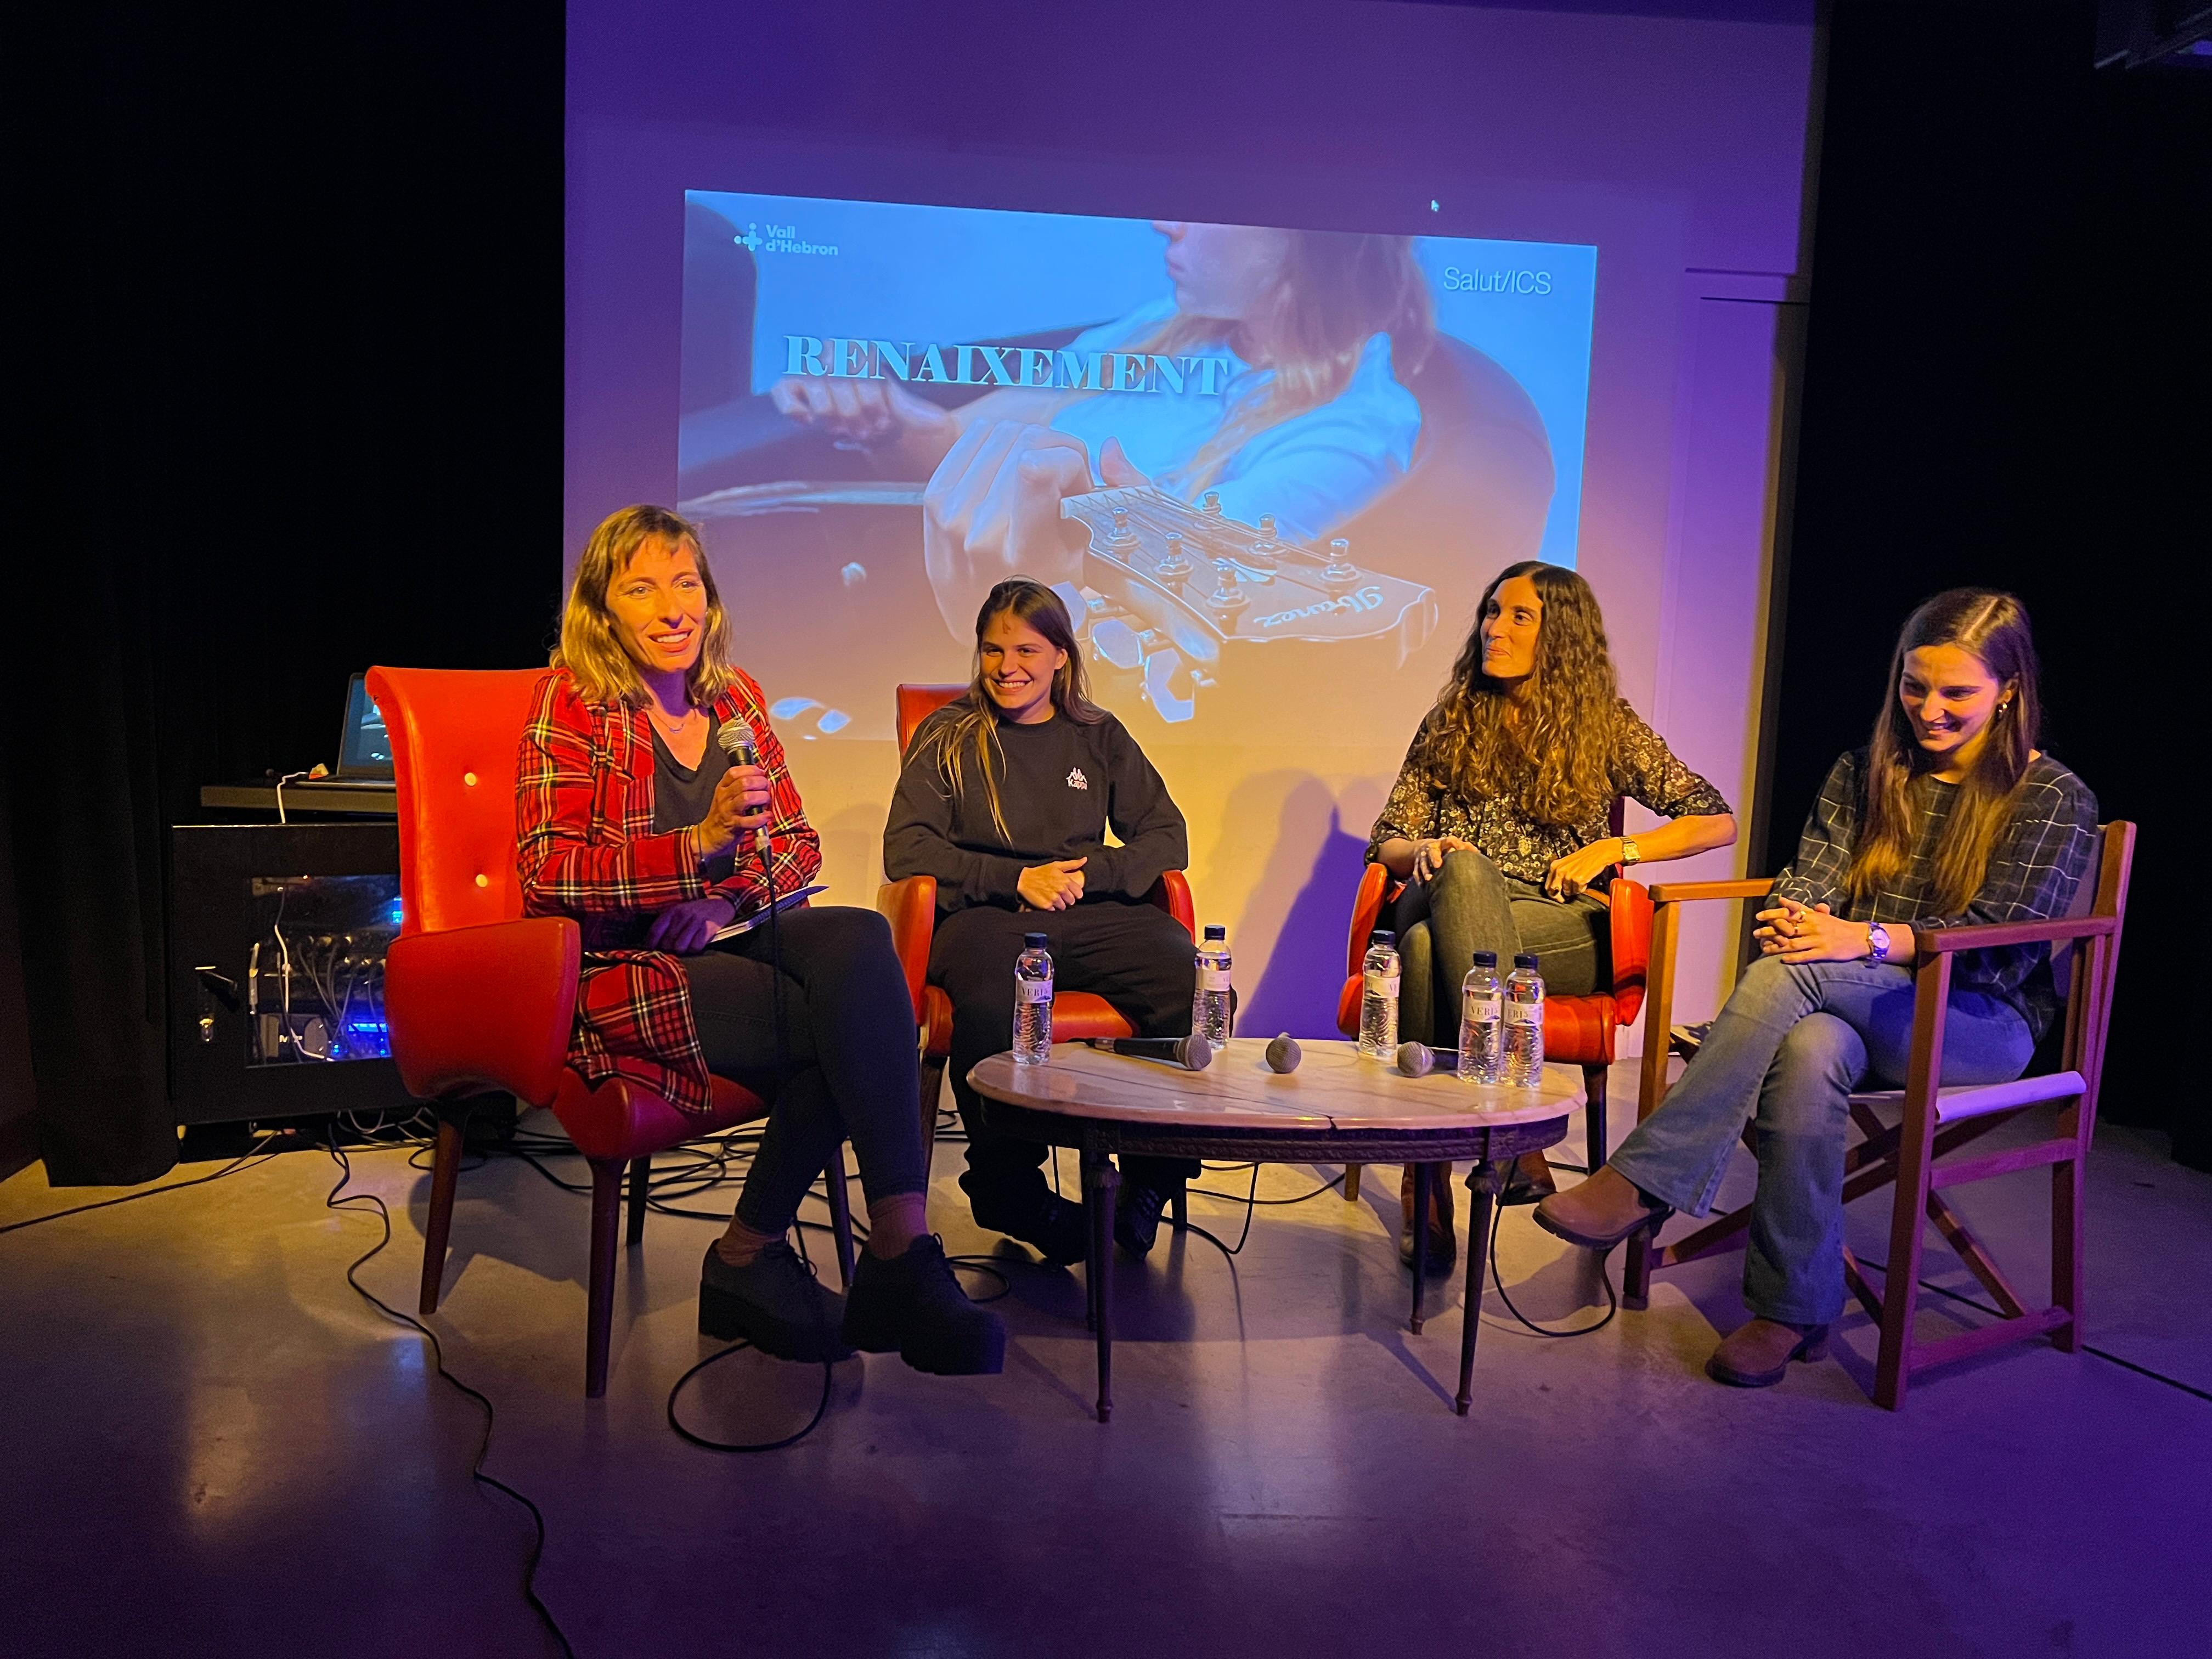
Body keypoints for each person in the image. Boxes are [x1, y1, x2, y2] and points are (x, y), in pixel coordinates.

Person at [1535, 589, 2098, 1389]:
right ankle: (1792, 1308)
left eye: (1956, 693)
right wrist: (1797, 919)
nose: (1929, 710)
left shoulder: (2053, 797)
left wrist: (1862, 941)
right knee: (1808, 1047)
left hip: (1976, 1018)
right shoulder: (1865, 772)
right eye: (1914, 686)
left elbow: (1999, 943)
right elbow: (1806, 883)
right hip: (1844, 1000)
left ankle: (1647, 1180)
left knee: (1793, 975)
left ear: (2009, 690)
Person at [518, 504, 1004, 1376]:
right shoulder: (574, 703)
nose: (674, 609)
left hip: (722, 937)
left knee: (858, 939)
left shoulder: (733, 697)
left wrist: (720, 897)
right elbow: (549, 873)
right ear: (601, 610)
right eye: (642, 589)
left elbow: (798, 848)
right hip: (620, 967)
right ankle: (764, 1258)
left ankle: (895, 1244)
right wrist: (694, 850)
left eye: (687, 584)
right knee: (847, 1031)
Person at [774, 222, 1442, 636]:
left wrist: (1091, 537)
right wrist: (890, 420)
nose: (1164, 224)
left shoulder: (1356, 430)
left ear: (1306, 240)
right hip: (945, 611)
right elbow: (958, 444)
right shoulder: (1164, 326)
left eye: (1209, 205)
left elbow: (1191, 607)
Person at [1368, 562, 1736, 1267]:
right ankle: (1515, 1130)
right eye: (1491, 612)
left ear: (1560, 636)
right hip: (1442, 886)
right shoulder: (1451, 720)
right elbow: (1388, 838)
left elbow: (1715, 820)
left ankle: (1426, 1183)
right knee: (1464, 871)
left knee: (1422, 951)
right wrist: (1424, 850)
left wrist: (1616, 848)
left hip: (1556, 920)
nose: (1494, 629)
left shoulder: (1604, 726)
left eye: (1518, 617)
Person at [883, 578, 1198, 1261]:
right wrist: (1015, 879)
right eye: (993, 650)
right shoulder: (949, 733)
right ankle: (1007, 1187)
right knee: (996, 996)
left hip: (1084, 909)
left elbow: (1165, 836)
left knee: (1186, 974)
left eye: (1026, 650)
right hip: (984, 917)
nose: (1007, 667)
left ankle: (1152, 1176)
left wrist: (1089, 874)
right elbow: (907, 848)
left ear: (1060, 656)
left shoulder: (1097, 734)